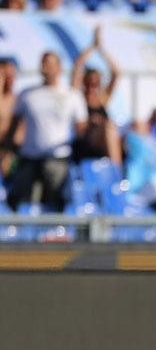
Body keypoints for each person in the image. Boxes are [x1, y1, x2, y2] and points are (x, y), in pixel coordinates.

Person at [7, 52, 87, 212]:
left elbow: (82, 131)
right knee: (18, 202)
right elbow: (13, 126)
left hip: (58, 159)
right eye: (43, 63)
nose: (46, 67)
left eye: (50, 63)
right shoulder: (27, 94)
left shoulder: (72, 95)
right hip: (29, 158)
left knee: (57, 203)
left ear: (59, 67)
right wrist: (8, 151)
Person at [71, 26, 122, 166]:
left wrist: (102, 49)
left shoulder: (102, 98)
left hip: (104, 140)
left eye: (96, 83)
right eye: (90, 82)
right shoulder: (78, 97)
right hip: (85, 141)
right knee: (109, 128)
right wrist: (92, 46)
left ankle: (116, 169)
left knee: (112, 129)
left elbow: (117, 73)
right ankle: (117, 171)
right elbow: (77, 66)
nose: (93, 86)